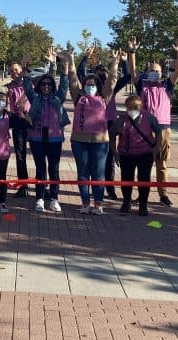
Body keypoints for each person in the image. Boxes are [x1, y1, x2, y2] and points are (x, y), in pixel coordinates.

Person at [128, 37, 178, 206]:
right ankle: (142, 193)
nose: (155, 73)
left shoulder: (166, 85)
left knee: (162, 164)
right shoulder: (142, 85)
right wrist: (132, 52)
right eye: (152, 70)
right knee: (144, 165)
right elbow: (132, 71)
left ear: (161, 73)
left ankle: (163, 194)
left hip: (163, 130)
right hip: (144, 130)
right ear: (147, 72)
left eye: (157, 71)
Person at [68, 50, 119, 215]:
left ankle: (98, 203)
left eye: (93, 84)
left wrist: (115, 63)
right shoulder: (78, 97)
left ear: (98, 86)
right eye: (88, 84)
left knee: (98, 174)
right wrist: (70, 60)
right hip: (79, 141)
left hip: (99, 142)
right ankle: (85, 203)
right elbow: (72, 78)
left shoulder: (104, 98)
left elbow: (111, 81)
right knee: (83, 174)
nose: (90, 87)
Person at [77, 46, 131, 199]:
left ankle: (110, 187)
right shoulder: (90, 89)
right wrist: (85, 58)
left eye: (104, 76)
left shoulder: (111, 89)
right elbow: (80, 74)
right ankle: (93, 189)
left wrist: (124, 61)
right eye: (99, 76)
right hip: (92, 127)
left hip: (109, 125)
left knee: (109, 159)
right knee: (92, 160)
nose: (102, 79)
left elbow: (127, 77)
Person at [23, 49, 70, 213]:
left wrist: (63, 64)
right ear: (39, 86)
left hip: (55, 139)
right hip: (37, 138)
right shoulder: (34, 98)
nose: (46, 86)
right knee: (40, 169)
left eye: (49, 84)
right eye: (43, 84)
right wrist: (24, 65)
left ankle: (54, 198)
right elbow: (27, 84)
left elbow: (65, 82)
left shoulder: (58, 98)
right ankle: (40, 198)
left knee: (54, 169)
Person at [111, 94, 162, 216]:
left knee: (144, 180)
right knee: (126, 179)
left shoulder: (149, 118)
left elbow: (159, 132)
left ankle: (143, 205)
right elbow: (112, 135)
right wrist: (115, 153)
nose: (133, 110)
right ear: (126, 108)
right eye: (130, 107)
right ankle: (126, 202)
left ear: (141, 107)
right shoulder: (121, 120)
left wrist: (157, 148)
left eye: (136, 107)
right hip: (126, 154)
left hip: (145, 154)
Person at [7, 59, 32, 198]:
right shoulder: (10, 86)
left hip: (31, 121)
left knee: (39, 156)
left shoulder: (29, 84)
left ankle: (43, 186)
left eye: (16, 70)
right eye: (11, 71)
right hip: (17, 121)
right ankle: (23, 185)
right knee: (20, 155)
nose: (14, 73)